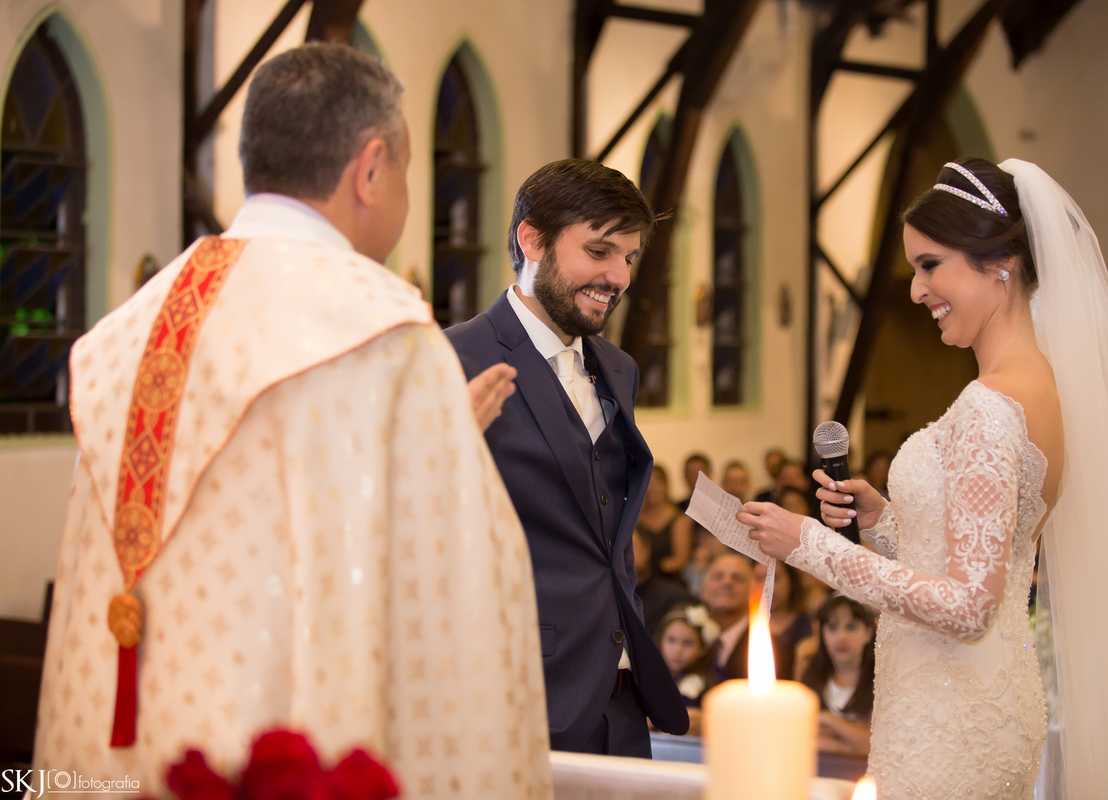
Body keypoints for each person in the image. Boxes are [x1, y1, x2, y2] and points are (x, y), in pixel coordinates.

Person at [33, 44, 551, 798]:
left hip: (130, 750)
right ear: (370, 169)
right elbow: (457, 596)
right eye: (406, 171)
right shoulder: (381, 333)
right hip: (285, 762)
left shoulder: (130, 326)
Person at [739, 158, 1108, 799]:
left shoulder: (989, 407)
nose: (915, 290)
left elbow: (969, 605)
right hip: (980, 698)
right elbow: (991, 559)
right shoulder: (1040, 388)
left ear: (999, 264)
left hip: (948, 718)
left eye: (931, 265)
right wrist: (886, 522)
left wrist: (811, 546)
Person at [445, 158, 689, 756]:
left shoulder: (618, 368)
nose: (618, 276)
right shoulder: (452, 360)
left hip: (623, 696)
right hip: (518, 695)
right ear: (532, 239)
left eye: (628, 258)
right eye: (599, 251)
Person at [798, 594, 876, 758]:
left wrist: (828, 720)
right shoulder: (810, 670)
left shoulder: (880, 680)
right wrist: (851, 737)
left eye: (851, 627)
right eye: (832, 628)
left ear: (868, 632)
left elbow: (875, 746)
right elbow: (799, 737)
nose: (841, 637)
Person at [699, 552, 792, 685]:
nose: (727, 582)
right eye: (718, 576)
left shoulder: (775, 648)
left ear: (753, 590)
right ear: (703, 590)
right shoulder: (685, 637)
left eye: (737, 578)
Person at [654, 604, 721, 736]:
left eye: (687, 643)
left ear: (703, 648)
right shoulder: (652, 676)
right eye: (671, 640)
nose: (677, 650)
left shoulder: (701, 682)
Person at [633, 524, 694, 639]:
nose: (622, 556)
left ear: (646, 550)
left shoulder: (676, 599)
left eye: (629, 548)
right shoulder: (600, 598)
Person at [638, 465, 693, 579]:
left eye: (656, 482)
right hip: (640, 579)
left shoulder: (679, 519)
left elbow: (681, 560)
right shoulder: (637, 519)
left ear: (665, 485)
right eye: (648, 483)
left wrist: (652, 568)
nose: (652, 488)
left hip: (669, 580)